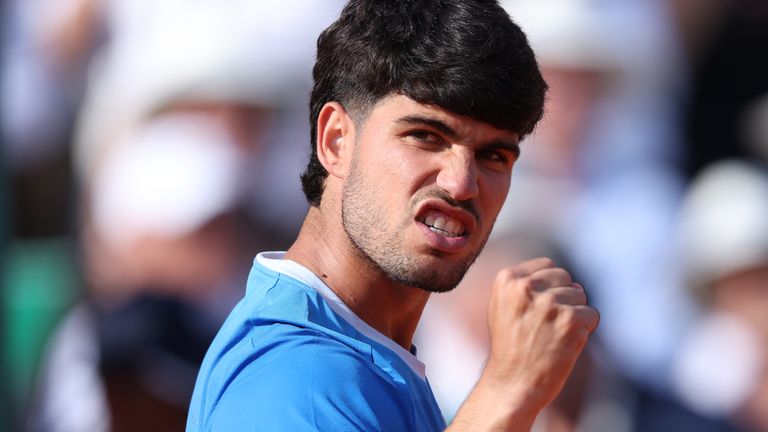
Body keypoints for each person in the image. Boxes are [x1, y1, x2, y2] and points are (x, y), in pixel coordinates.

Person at [186, 0, 599, 431]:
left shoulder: (359, 355)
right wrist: (507, 392)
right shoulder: (297, 382)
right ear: (336, 140)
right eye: (425, 136)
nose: (461, 183)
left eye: (492, 155)